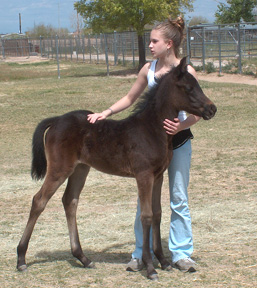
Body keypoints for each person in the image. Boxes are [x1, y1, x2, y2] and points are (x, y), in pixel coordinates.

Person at [87, 16, 200, 273]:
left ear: (168, 44)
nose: (150, 45)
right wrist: (106, 112)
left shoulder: (187, 72)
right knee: (144, 201)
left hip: (178, 143)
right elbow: (130, 97)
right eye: (150, 41)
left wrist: (182, 126)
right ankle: (140, 252)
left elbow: (197, 109)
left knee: (178, 199)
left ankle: (181, 253)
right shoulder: (148, 69)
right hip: (148, 146)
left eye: (154, 41)